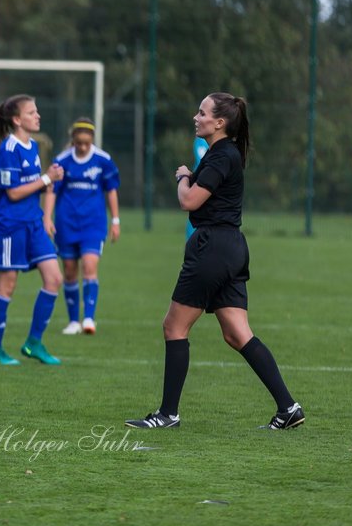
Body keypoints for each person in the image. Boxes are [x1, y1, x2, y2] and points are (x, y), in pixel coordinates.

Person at [126, 93, 304, 430]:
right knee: (237, 334)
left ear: (219, 122)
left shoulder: (221, 155)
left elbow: (189, 201)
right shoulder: (224, 154)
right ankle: (288, 408)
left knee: (173, 326)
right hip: (231, 246)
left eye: (202, 112)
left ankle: (168, 415)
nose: (196, 117)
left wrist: (182, 176)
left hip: (213, 247)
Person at [0, 94, 64, 366]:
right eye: (32, 112)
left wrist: (47, 213)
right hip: (10, 225)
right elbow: (15, 192)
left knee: (54, 278)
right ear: (17, 120)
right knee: (7, 285)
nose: (37, 116)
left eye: (37, 111)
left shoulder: (31, 146)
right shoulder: (9, 149)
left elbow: (41, 186)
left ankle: (33, 343)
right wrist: (46, 178)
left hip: (33, 223)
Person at [52, 118, 121, 335]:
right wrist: (47, 219)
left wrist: (115, 220)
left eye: (86, 143)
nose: (82, 147)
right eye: (78, 142)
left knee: (90, 267)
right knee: (70, 271)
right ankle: (74, 321)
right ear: (72, 140)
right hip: (66, 223)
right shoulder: (62, 161)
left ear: (91, 140)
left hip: (93, 224)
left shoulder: (103, 160)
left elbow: (111, 190)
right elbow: (52, 191)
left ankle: (89, 318)